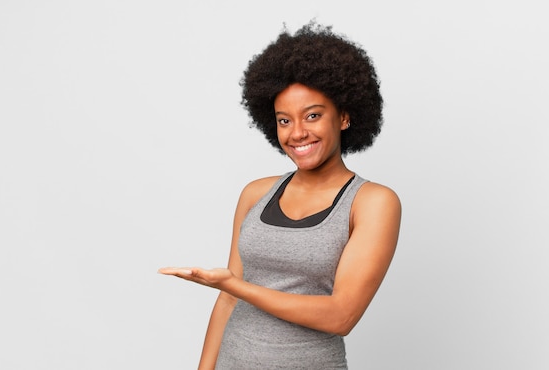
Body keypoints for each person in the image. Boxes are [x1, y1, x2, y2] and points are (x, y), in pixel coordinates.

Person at [159, 21, 402, 369]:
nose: (298, 133)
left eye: (313, 116)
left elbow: (341, 315)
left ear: (345, 116)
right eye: (284, 120)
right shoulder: (256, 193)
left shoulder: (372, 202)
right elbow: (228, 301)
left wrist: (235, 286)